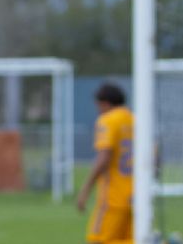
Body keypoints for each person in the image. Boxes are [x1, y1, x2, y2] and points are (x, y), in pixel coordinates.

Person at [77, 82, 134, 244]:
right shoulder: (137, 121)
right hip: (137, 197)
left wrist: (86, 189)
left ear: (105, 103)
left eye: (98, 106)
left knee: (97, 241)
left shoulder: (107, 120)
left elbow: (104, 157)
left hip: (113, 198)